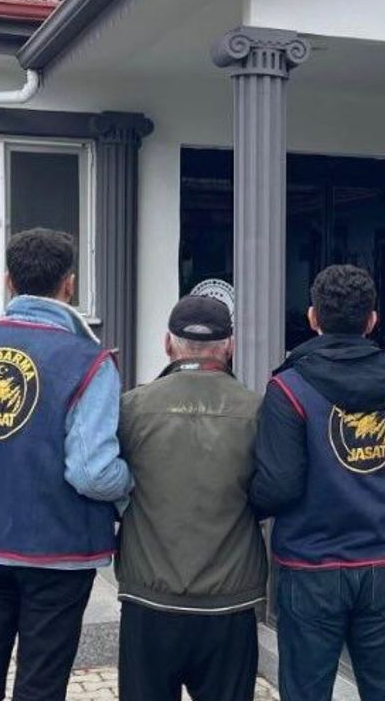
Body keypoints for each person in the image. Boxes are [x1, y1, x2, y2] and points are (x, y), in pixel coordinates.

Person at [0, 228, 132, 701]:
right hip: (57, 549)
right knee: (41, 686)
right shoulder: (89, 361)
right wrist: (131, 485)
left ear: (8, 281)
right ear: (69, 284)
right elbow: (92, 473)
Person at [251, 265, 385, 701]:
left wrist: (242, 503)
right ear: (372, 320)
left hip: (310, 566)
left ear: (313, 317)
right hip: (383, 564)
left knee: (307, 692)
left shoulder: (289, 389)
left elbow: (279, 487)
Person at [114, 295, 268, 701]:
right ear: (230, 346)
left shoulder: (131, 407)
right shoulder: (257, 410)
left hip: (149, 597)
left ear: (168, 343)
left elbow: (102, 480)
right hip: (229, 600)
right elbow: (274, 489)